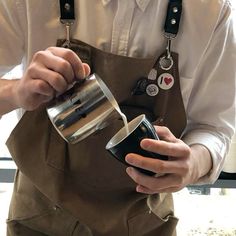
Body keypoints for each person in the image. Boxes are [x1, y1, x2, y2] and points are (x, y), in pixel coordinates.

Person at [0, 0, 235, 235]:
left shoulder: (210, 10)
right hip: (38, 217)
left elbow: (215, 126)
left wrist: (194, 163)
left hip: (143, 221)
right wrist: (16, 91)